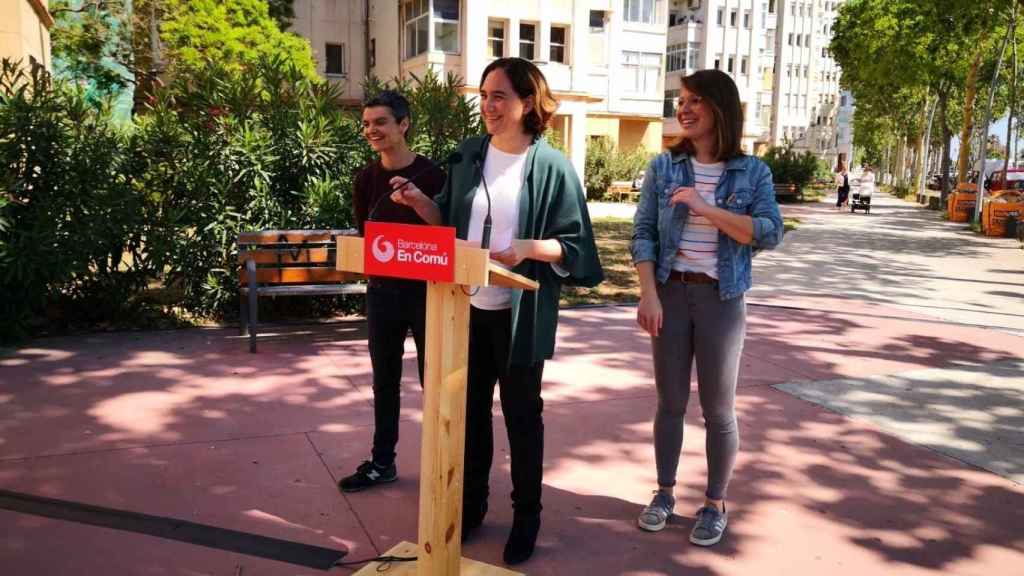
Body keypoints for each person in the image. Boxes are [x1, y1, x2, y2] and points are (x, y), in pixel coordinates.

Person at [390, 57, 603, 565]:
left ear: (528, 102)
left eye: (500, 95)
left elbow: (577, 248)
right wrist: (422, 204)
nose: (488, 105)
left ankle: (527, 517)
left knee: (522, 417)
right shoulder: (467, 156)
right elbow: (450, 225)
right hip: (464, 309)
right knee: (470, 416)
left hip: (518, 315)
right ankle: (472, 506)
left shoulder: (551, 166)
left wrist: (530, 247)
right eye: (484, 95)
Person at [631, 69, 783, 547]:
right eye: (681, 100)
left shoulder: (752, 171)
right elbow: (643, 233)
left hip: (722, 299)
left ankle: (715, 503)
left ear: (720, 107)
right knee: (669, 403)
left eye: (696, 99)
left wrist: (705, 206)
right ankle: (664, 493)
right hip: (669, 294)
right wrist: (648, 293)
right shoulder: (664, 167)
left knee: (718, 410)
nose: (685, 108)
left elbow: (767, 232)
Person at [338, 90, 447, 493]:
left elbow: (449, 234)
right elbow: (365, 237)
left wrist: (420, 205)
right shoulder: (365, 179)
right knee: (384, 380)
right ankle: (382, 462)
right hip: (382, 294)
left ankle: (441, 463)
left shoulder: (434, 175)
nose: (371, 130)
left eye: (380, 122)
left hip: (428, 294)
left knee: (432, 380)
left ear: (403, 124)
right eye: (366, 124)